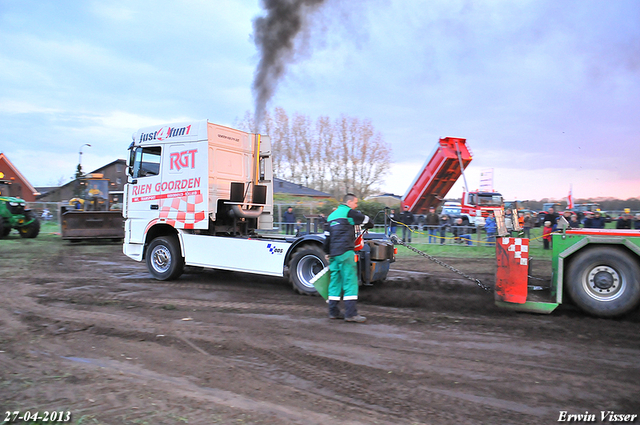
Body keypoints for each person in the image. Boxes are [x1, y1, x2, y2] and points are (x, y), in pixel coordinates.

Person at [323, 193, 374, 323]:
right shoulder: (349, 213)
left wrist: (327, 252)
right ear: (349, 202)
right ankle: (351, 314)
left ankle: (333, 312)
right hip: (345, 252)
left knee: (334, 282)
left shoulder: (331, 216)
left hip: (333, 254)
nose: (356, 205)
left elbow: (327, 238)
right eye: (355, 203)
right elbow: (368, 221)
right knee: (350, 282)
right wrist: (367, 225)